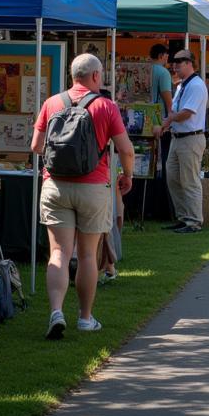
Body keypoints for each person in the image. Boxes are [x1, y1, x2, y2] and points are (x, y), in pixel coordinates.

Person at [32, 54, 135, 339]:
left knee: (58, 253)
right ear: (96, 76)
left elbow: (36, 146)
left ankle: (56, 311)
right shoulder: (106, 105)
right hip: (93, 187)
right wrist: (127, 175)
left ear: (72, 75)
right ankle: (85, 318)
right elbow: (126, 149)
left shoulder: (52, 103)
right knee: (89, 255)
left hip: (56, 186)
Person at [155, 49, 209, 233]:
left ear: (189, 63)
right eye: (174, 62)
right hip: (178, 138)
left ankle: (194, 221)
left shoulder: (195, 85)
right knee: (174, 179)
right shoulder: (181, 85)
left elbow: (186, 113)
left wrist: (168, 121)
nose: (175, 65)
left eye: (179, 62)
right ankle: (183, 217)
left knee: (189, 180)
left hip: (191, 138)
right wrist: (165, 124)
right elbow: (174, 111)